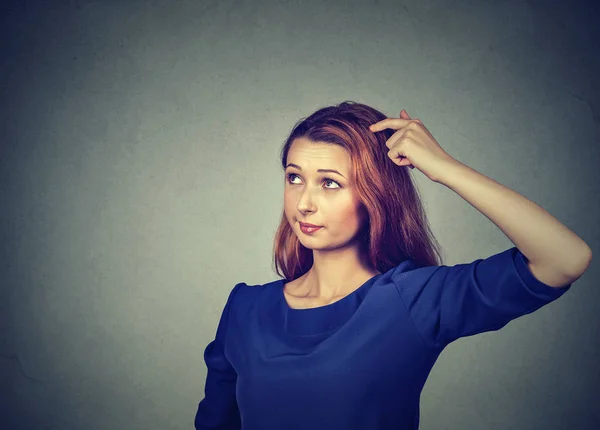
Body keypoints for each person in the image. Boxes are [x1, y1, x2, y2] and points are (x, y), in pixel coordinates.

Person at [194, 101, 592, 430]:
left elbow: (566, 259)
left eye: (330, 182)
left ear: (376, 194)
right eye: (294, 178)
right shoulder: (245, 309)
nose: (304, 203)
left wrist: (444, 168)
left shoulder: (414, 300)